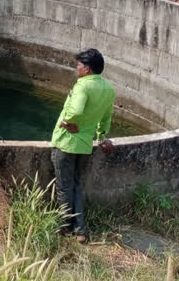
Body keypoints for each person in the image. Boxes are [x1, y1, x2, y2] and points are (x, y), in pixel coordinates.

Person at [51, 48, 115, 244]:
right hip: (85, 144)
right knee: (77, 185)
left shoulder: (82, 86)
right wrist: (102, 137)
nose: (76, 69)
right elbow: (106, 118)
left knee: (64, 187)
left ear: (87, 69)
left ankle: (65, 227)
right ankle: (80, 231)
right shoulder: (108, 89)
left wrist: (66, 121)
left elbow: (76, 110)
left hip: (66, 142)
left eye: (78, 65)